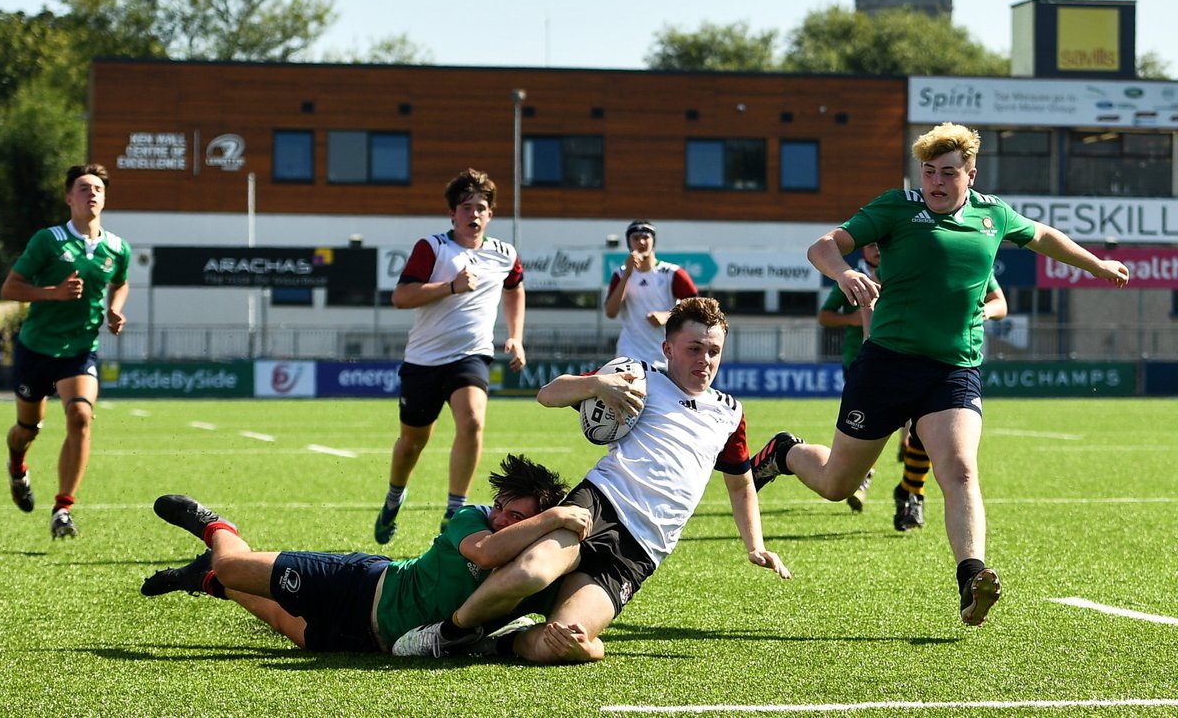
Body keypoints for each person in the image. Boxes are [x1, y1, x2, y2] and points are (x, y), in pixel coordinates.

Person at [750, 122, 1129, 628]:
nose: (936, 181)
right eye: (929, 171)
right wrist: (843, 272)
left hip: (953, 370)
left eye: (948, 172)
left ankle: (971, 577)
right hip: (885, 365)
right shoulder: (896, 207)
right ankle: (784, 452)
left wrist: (1095, 264)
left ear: (970, 174)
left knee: (961, 469)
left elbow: (1042, 236)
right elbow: (823, 245)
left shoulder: (992, 215)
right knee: (838, 483)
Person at [393, 296, 789, 663]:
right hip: (598, 505)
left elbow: (740, 484)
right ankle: (447, 634)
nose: (705, 360)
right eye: (694, 349)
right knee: (531, 572)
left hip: (643, 549)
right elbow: (548, 394)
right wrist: (597, 384)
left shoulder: (729, 412)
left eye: (714, 351)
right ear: (668, 349)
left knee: (563, 641)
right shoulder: (637, 377)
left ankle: (502, 639)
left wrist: (755, 545)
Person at [140, 455, 590, 653]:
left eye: (516, 517)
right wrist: (552, 518)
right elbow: (486, 553)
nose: (502, 519)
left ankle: (202, 579)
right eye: (502, 509)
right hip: (361, 585)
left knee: (277, 618)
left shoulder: (535, 563)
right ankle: (216, 528)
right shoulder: (473, 519)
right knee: (233, 565)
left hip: (369, 641)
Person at [374, 168, 527, 545]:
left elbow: (515, 289)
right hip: (424, 360)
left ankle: (455, 510)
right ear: (452, 214)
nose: (473, 214)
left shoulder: (504, 254)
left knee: (473, 421)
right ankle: (395, 496)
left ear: (490, 215)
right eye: (466, 207)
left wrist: (516, 336)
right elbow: (400, 297)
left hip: (471, 356)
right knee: (412, 443)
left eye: (481, 208)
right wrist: (451, 287)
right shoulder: (434, 247)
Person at [1, 163, 131, 539]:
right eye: (84, 188)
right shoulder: (49, 240)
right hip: (37, 348)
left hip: (80, 350)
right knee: (28, 429)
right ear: (68, 197)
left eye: (98, 189)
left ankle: (63, 509)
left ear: (104, 198)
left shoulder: (118, 247)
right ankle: (16, 465)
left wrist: (116, 307)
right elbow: (10, 288)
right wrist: (51, 294)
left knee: (79, 417)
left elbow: (121, 282)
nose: (92, 193)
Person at [892, 277, 1007, 532]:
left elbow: (1000, 303)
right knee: (840, 478)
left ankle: (912, 494)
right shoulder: (909, 250)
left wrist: (983, 311)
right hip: (902, 358)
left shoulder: (976, 251)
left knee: (933, 439)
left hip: (953, 366)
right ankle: (899, 490)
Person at [816, 241, 881, 513]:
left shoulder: (904, 269)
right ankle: (865, 476)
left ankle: (912, 490)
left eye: (882, 243)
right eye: (871, 244)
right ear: (862, 250)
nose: (877, 248)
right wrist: (852, 320)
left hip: (904, 358)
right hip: (859, 360)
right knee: (868, 421)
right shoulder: (854, 278)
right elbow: (825, 316)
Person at [604, 220, 698, 369]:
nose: (641, 242)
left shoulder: (672, 273)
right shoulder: (620, 274)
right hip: (629, 356)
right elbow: (610, 312)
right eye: (635, 238)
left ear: (653, 241)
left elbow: (696, 308)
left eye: (645, 237)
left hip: (664, 356)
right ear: (629, 243)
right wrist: (628, 275)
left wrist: (668, 316)